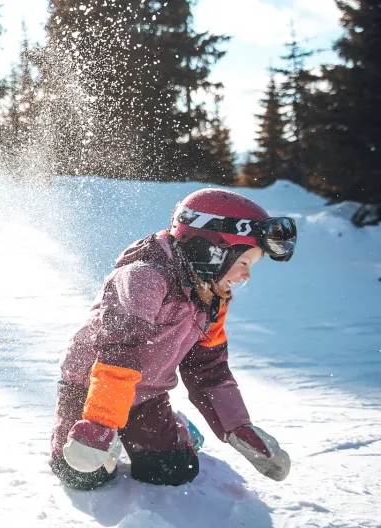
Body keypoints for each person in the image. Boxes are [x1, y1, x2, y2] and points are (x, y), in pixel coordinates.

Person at [50, 189, 296, 490]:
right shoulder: (143, 278)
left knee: (174, 470)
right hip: (90, 387)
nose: (246, 276)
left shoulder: (213, 295)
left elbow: (209, 370)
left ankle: (173, 428)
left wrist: (238, 428)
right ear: (213, 249)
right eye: (244, 262)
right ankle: (108, 431)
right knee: (82, 472)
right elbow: (120, 353)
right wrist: (100, 423)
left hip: (146, 394)